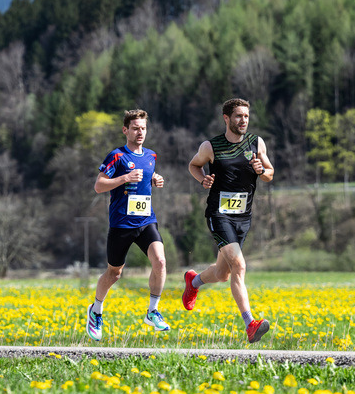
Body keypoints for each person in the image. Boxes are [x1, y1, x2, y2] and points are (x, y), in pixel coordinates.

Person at [182, 97, 274, 343]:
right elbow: (193, 165)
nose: (243, 120)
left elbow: (270, 174)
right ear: (226, 118)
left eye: (246, 116)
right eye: (238, 116)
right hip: (219, 214)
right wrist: (202, 179)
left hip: (243, 217)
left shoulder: (257, 143)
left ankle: (194, 280)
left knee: (223, 274)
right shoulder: (211, 146)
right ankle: (250, 324)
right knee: (239, 266)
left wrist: (261, 171)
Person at [86, 109, 170, 341]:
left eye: (143, 128)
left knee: (160, 262)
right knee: (114, 273)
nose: (140, 132)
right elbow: (99, 185)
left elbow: (146, 172)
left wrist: (155, 178)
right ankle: (96, 312)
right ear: (125, 130)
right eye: (135, 128)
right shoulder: (116, 156)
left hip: (146, 221)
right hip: (121, 224)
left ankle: (152, 311)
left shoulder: (151, 156)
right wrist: (124, 178)